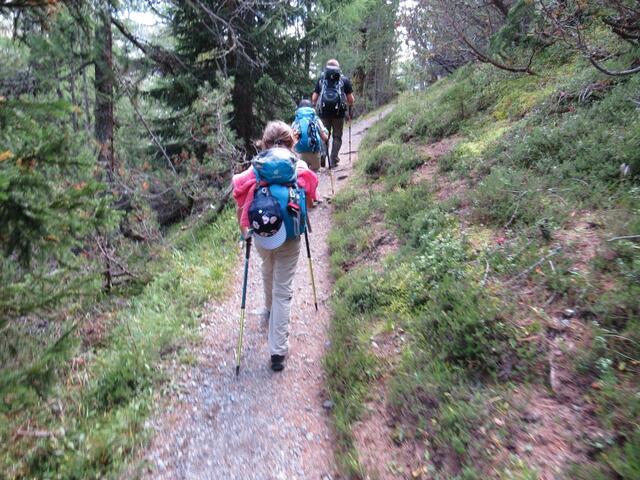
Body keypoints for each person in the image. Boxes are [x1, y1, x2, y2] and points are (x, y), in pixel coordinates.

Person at [231, 121, 318, 372]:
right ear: (292, 142)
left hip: (261, 233)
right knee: (284, 290)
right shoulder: (298, 167)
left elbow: (239, 198)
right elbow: (310, 202)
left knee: (267, 265)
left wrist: (245, 233)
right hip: (290, 235)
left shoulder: (256, 168)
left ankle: (269, 310)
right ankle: (277, 351)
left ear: (264, 143)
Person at [311, 59, 355, 168]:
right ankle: (333, 158)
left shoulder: (321, 79)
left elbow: (314, 98)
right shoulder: (344, 80)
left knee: (324, 135)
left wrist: (316, 106)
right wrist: (348, 106)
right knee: (337, 136)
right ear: (338, 68)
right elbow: (351, 100)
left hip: (324, 112)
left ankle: (323, 155)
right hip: (338, 113)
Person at [292, 99, 329, 172]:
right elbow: (325, 138)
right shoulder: (315, 119)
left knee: (302, 171)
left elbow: (292, 139)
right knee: (315, 170)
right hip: (314, 151)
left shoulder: (296, 122)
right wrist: (326, 133)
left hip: (300, 152)